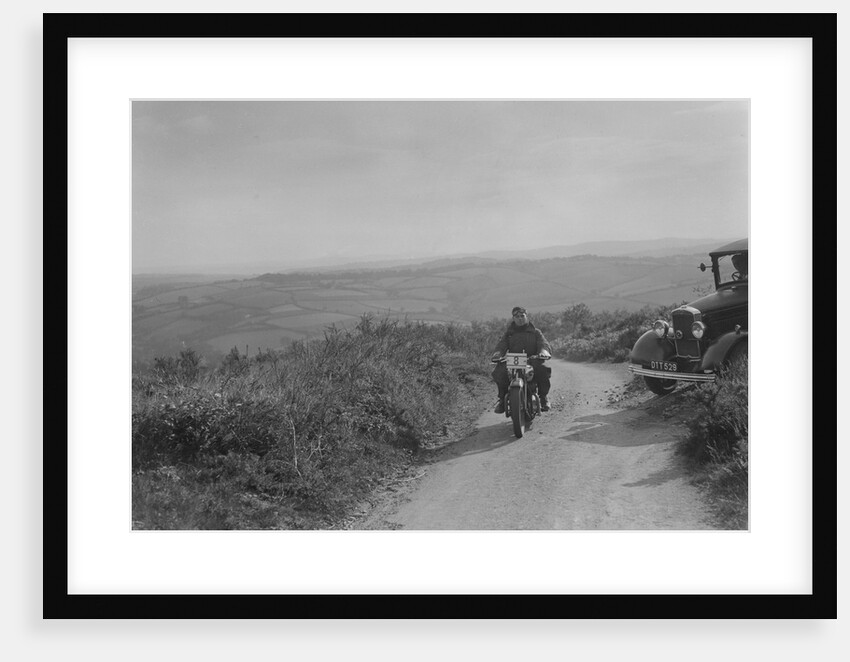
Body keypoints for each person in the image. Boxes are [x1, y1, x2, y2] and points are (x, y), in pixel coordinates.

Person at [490, 306, 552, 414]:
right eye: (517, 316)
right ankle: (502, 400)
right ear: (513, 318)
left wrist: (543, 352)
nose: (520, 318)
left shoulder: (535, 332)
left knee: (543, 370)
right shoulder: (509, 334)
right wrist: (498, 354)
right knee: (499, 372)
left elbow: (543, 344)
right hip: (513, 361)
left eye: (522, 316)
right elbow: (501, 345)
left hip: (532, 360)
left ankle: (543, 398)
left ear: (527, 317)